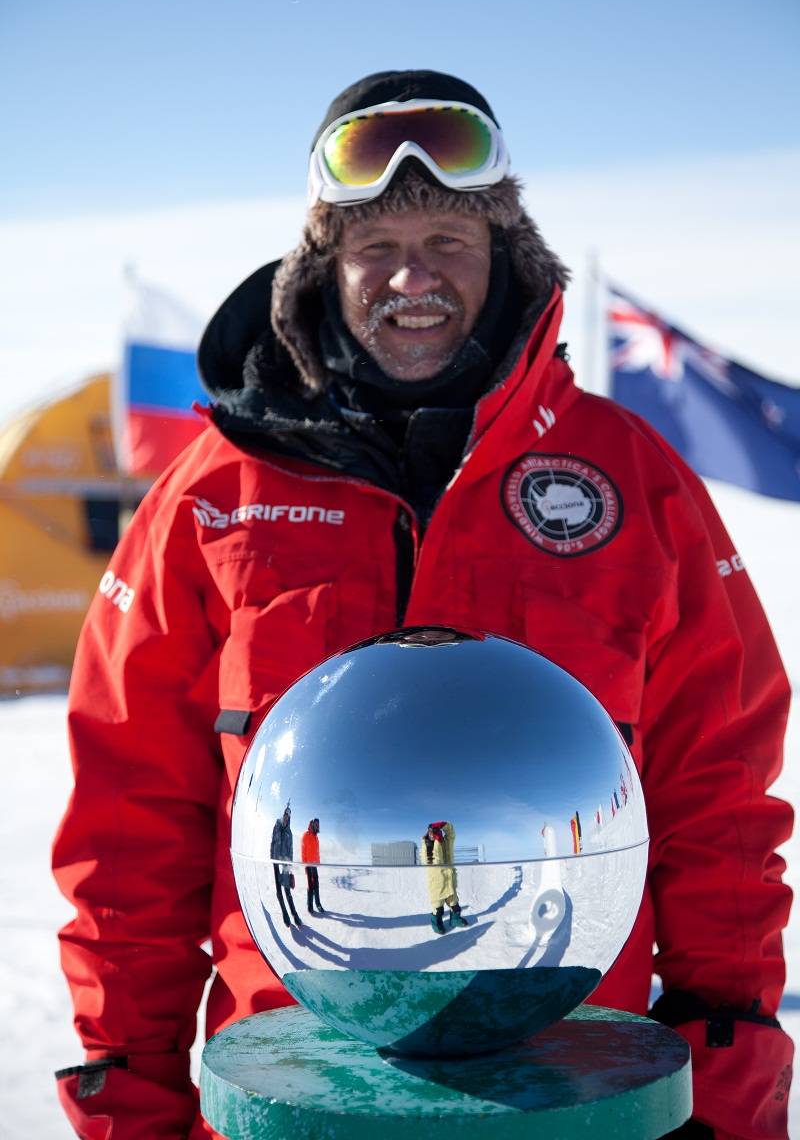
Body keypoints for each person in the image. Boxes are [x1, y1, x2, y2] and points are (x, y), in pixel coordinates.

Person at [53, 69, 793, 1140]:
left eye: (449, 240)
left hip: (574, 1088)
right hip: (289, 1090)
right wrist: (129, 1093)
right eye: (374, 246)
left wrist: (724, 1081)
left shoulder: (626, 477)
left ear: (505, 259)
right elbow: (127, 826)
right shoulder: (214, 493)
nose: (413, 276)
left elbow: (716, 794)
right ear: (326, 265)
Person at [424, 821, 468, 933]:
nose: (433, 833)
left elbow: (452, 835)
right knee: (437, 908)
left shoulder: (445, 842)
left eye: (436, 831)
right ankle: (437, 924)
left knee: (454, 904)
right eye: (431, 831)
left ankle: (455, 919)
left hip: (449, 880)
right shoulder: (426, 846)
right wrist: (437, 842)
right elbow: (437, 861)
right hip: (437, 884)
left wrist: (445, 825)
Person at [270, 804, 300, 928]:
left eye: (289, 814)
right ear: (283, 814)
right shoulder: (277, 825)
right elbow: (273, 842)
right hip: (276, 860)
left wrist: (290, 867)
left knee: (287, 889)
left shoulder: (290, 833)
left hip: (286, 862)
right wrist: (273, 858)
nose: (287, 816)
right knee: (279, 890)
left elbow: (291, 850)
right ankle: (285, 913)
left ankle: (294, 913)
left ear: (290, 817)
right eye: (285, 814)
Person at [301, 817, 324, 914]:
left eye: (318, 825)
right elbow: (303, 851)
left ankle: (318, 904)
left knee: (316, 884)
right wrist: (305, 865)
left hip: (314, 864)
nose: (317, 826)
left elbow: (317, 851)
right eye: (316, 824)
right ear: (312, 824)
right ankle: (310, 906)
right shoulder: (306, 835)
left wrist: (318, 862)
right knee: (310, 885)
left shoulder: (316, 837)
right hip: (308, 864)